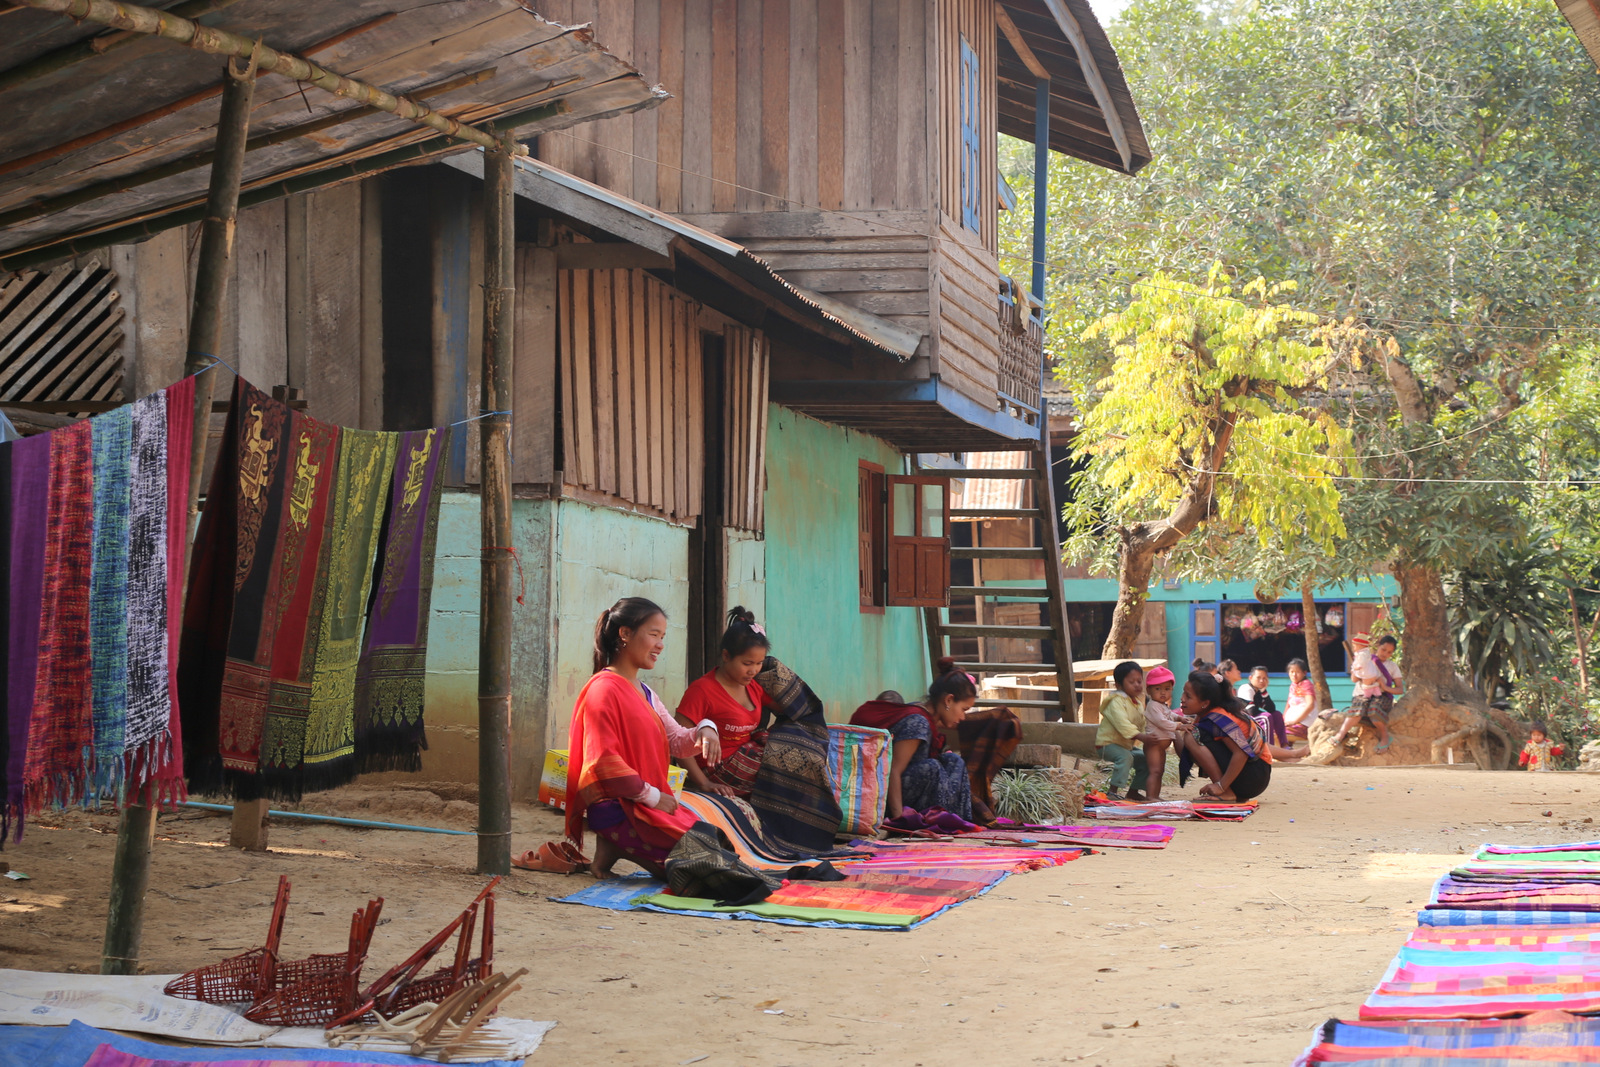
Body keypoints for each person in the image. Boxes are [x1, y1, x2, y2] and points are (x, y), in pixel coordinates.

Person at [564, 597, 722, 878]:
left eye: (663, 637)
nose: (660, 645)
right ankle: (615, 842)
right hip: (621, 807)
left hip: (645, 804)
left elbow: (677, 741)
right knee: (703, 872)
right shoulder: (603, 689)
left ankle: (613, 848)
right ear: (625, 633)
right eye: (654, 634)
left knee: (718, 847)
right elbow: (603, 761)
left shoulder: (645, 692)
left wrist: (705, 728)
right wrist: (652, 796)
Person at [851, 660, 980, 822]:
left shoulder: (926, 714)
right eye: (963, 709)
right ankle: (936, 820)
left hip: (906, 788)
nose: (963, 717)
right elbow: (893, 771)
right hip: (882, 796)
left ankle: (956, 821)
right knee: (933, 767)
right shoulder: (918, 723)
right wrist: (899, 820)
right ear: (948, 700)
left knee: (953, 761)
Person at [676, 606, 772, 798]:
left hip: (746, 758)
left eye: (759, 663)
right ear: (726, 656)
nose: (753, 670)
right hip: (716, 770)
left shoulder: (754, 686)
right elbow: (678, 742)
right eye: (747, 663)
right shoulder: (702, 690)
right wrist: (704, 783)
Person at [1174, 670, 1273, 802]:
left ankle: (1225, 792)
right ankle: (1227, 790)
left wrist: (1220, 786)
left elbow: (1241, 753)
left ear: (1205, 703)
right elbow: (1189, 753)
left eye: (1188, 696)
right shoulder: (1208, 715)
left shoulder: (1218, 718)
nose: (1182, 698)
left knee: (1192, 736)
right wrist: (1171, 729)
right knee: (1191, 735)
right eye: (1183, 693)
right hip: (1257, 775)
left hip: (1254, 775)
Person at [1096, 661, 1159, 801]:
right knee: (1126, 757)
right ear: (1118, 685)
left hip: (1125, 746)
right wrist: (1142, 737)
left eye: (1139, 681)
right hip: (1107, 744)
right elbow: (1122, 724)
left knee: (1146, 759)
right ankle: (1112, 791)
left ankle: (1133, 792)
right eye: (1131, 682)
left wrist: (1150, 735)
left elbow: (1142, 724)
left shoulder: (1137, 703)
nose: (1137, 685)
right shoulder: (1115, 701)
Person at [1334, 634, 1402, 751]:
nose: (1385, 654)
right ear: (1378, 646)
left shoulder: (1392, 666)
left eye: (1389, 652)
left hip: (1382, 696)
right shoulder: (1365, 659)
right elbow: (1354, 679)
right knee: (1358, 708)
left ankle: (1385, 737)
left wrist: (1384, 687)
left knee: (1374, 709)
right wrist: (1358, 667)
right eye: (1383, 649)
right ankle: (1341, 734)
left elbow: (1400, 689)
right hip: (1362, 694)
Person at [1141, 665, 1184, 802]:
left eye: (1167, 689)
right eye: (1158, 689)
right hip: (1154, 745)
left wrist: (1180, 718)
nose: (1163, 693)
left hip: (1160, 746)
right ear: (1149, 690)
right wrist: (1179, 726)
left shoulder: (1162, 705)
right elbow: (1162, 722)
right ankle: (1150, 796)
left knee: (1160, 771)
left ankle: (1155, 795)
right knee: (1154, 771)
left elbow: (1170, 714)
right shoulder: (1153, 706)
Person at [1238, 665, 1286, 745]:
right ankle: (1268, 747)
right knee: (1266, 717)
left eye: (1264, 678)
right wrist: (1266, 713)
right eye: (1258, 677)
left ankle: (1285, 745)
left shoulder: (1259, 690)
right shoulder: (1246, 688)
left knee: (1277, 714)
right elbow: (1251, 711)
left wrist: (1264, 691)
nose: (1261, 680)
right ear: (1250, 678)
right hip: (1243, 719)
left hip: (1252, 718)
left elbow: (1272, 709)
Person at [1283, 658, 1317, 741]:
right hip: (1291, 721)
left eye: (1297, 672)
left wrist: (1294, 721)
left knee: (1278, 734)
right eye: (1291, 672)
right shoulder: (1293, 685)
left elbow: (1310, 705)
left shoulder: (1306, 685)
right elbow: (1288, 704)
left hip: (1304, 722)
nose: (1294, 675)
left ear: (1304, 673)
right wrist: (1283, 720)